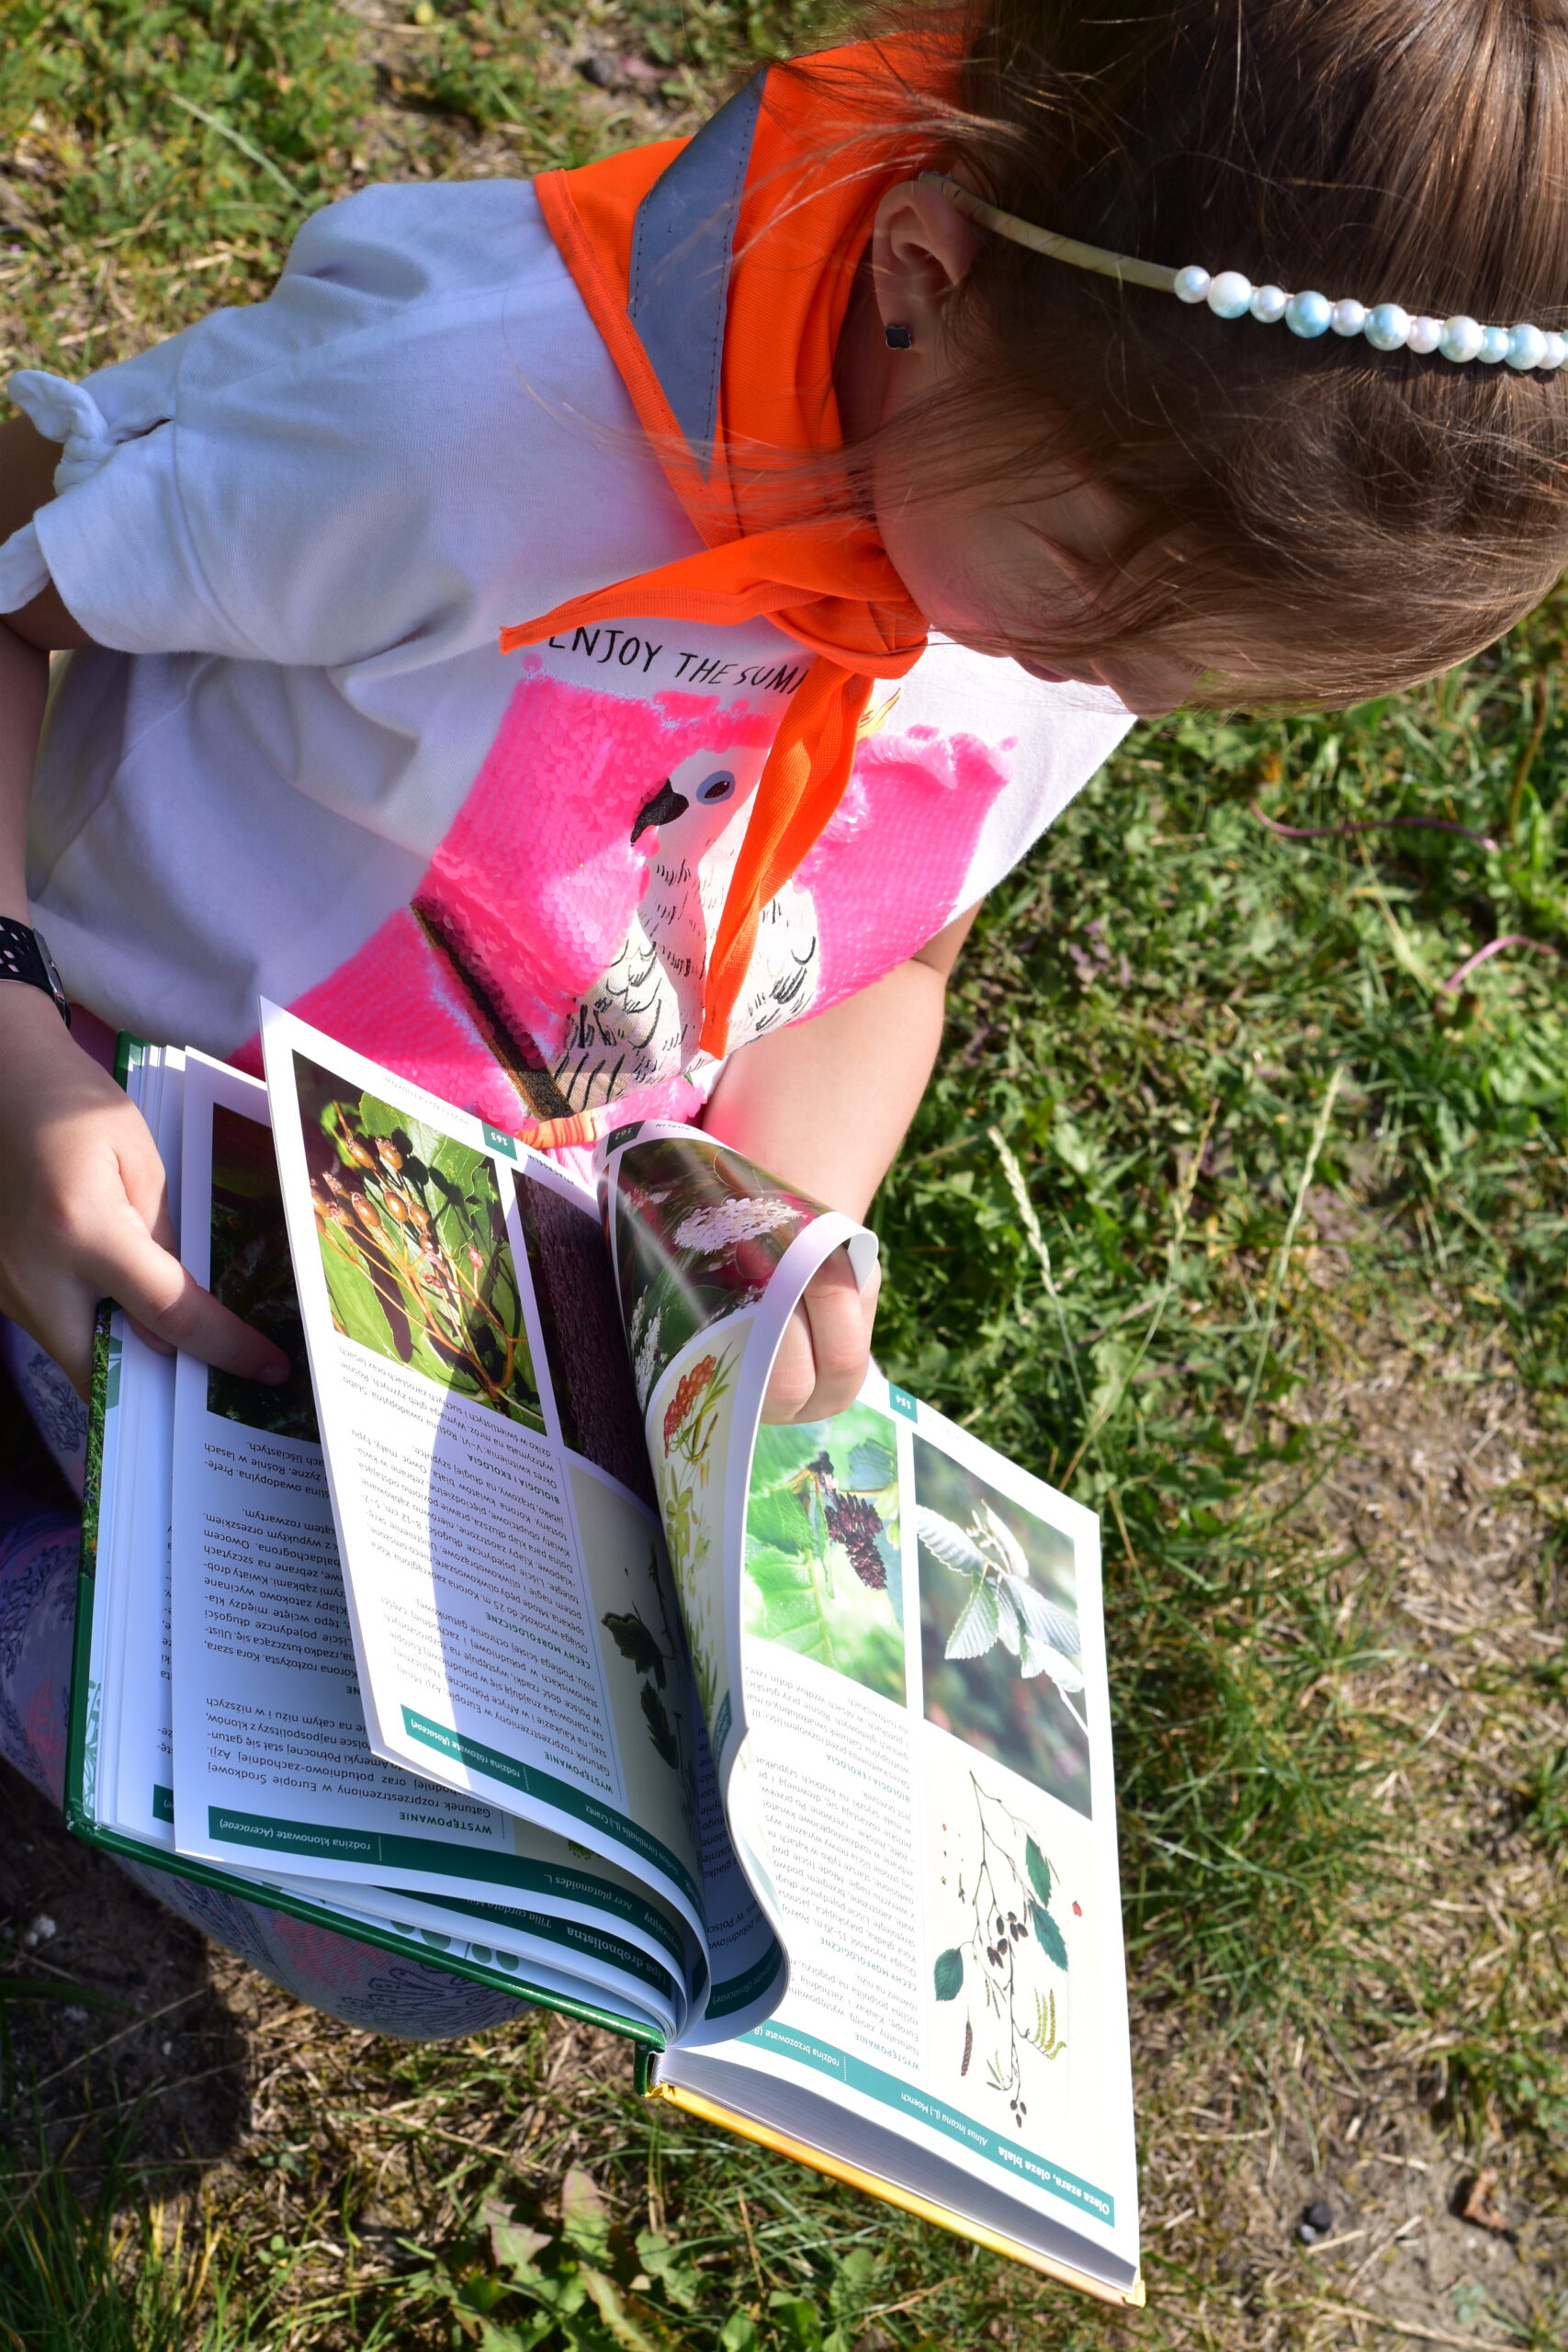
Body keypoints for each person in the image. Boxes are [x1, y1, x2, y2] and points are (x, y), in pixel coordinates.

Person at [3, 0, 1566, 2033]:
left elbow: (892, 952)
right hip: (112, 1128)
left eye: (1183, 680)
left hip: (456, 1284)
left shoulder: (1075, 551)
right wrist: (10, 1041)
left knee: (520, 1921)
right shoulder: (467, 414)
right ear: (925, 275)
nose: (1103, 684)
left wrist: (763, 1219)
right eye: (1094, 604)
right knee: (374, 1900)